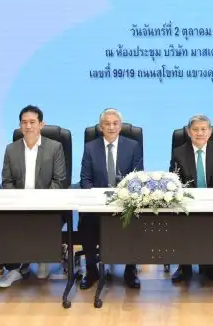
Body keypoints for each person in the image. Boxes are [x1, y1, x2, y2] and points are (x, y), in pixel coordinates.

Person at [0, 105, 68, 288]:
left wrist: (40, 202)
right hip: (18, 205)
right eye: (24, 122)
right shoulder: (11, 149)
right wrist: (17, 202)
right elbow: (7, 181)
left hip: (46, 205)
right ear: (20, 125)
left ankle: (43, 257)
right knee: (5, 220)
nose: (28, 126)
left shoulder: (55, 147)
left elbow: (59, 180)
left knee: (43, 220)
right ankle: (15, 268)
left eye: (32, 122)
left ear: (41, 124)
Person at [79, 108, 144, 290]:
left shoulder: (133, 146)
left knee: (134, 220)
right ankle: (91, 271)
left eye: (115, 123)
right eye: (107, 124)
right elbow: (85, 179)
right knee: (86, 222)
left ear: (120, 126)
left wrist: (124, 198)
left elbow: (137, 177)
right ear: (101, 127)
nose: (111, 127)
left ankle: (130, 270)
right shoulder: (90, 148)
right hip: (97, 204)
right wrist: (96, 199)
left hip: (124, 203)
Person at [169, 114, 213, 285]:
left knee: (212, 222)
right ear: (188, 132)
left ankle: (210, 267)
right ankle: (184, 267)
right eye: (195, 129)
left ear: (210, 132)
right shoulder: (178, 153)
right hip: (188, 206)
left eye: (203, 129)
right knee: (182, 223)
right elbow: (174, 184)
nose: (200, 133)